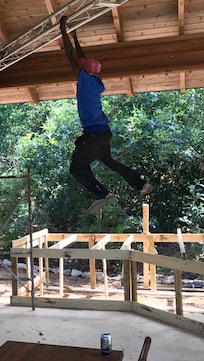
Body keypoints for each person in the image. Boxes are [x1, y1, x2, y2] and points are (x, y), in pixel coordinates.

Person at [59, 15, 152, 214]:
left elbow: (70, 55)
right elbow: (79, 58)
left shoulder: (84, 79)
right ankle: (140, 184)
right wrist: (75, 36)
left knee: (76, 169)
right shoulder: (94, 80)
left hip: (94, 134)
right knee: (108, 161)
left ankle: (103, 194)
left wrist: (62, 29)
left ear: (83, 71)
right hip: (102, 133)